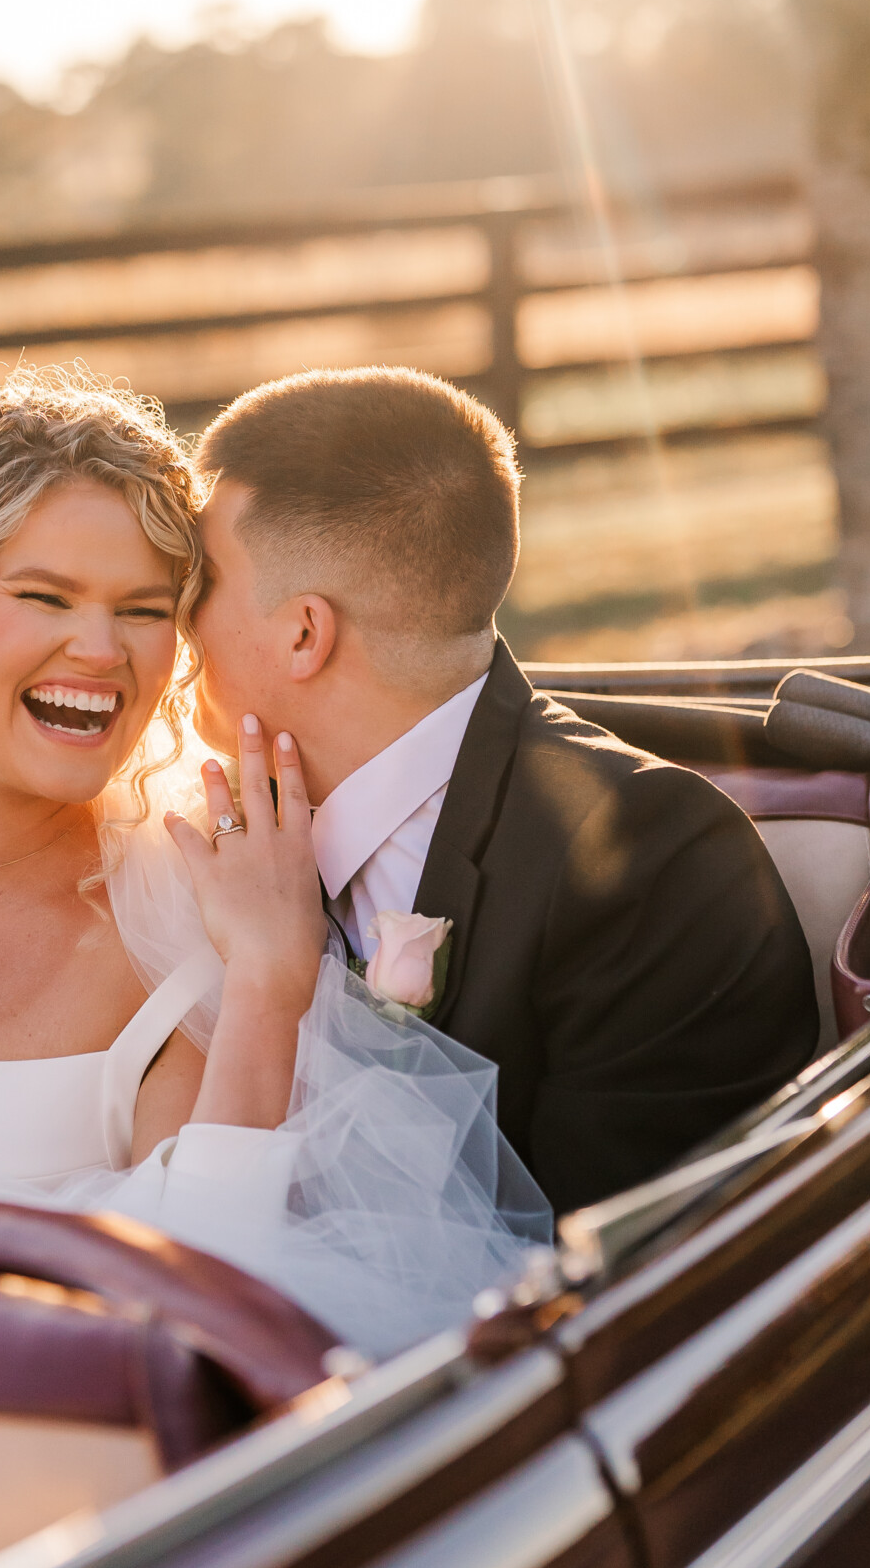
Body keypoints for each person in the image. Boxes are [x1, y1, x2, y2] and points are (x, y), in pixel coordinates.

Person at [0, 376, 548, 1360]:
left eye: (143, 609)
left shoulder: (183, 927)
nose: (100, 648)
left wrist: (266, 979)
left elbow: (218, 1288)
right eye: (45, 596)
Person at [190, 366, 820, 1217]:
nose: (176, 616)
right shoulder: (203, 825)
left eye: (200, 583)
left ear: (304, 632)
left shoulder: (646, 856)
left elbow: (618, 1277)